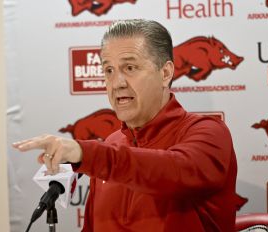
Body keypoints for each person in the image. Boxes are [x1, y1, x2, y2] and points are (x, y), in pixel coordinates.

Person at [13, 19, 239, 231]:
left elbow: (174, 170)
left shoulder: (210, 133)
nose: (117, 83)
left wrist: (85, 153)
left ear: (166, 72)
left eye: (130, 68)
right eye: (109, 70)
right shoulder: (110, 145)